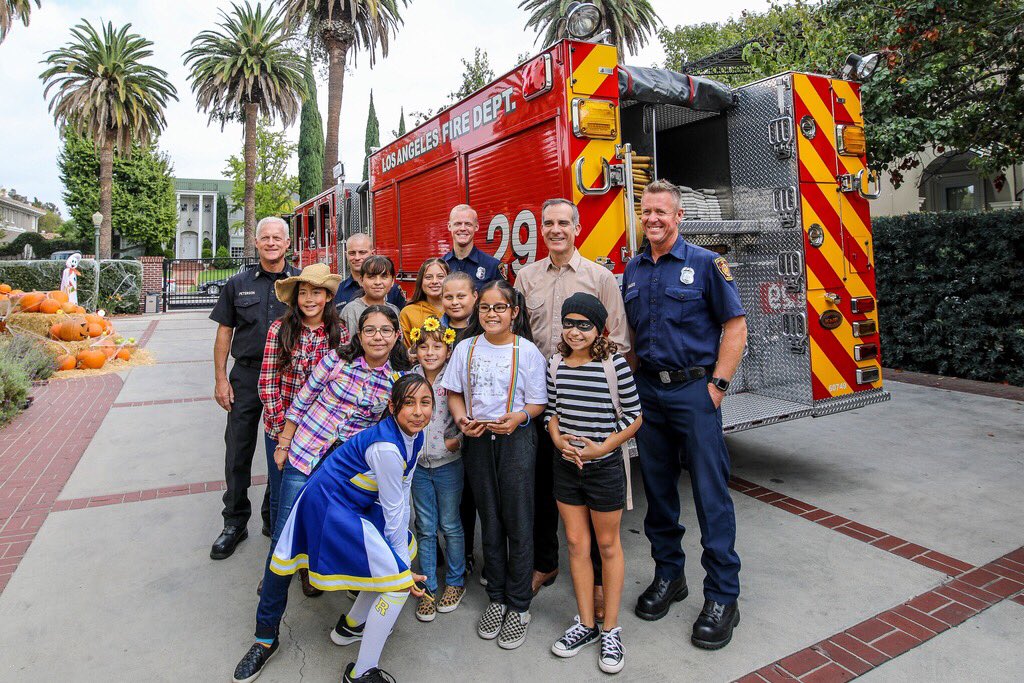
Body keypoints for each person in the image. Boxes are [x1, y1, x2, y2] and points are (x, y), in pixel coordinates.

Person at [231, 306, 411, 683]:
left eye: (385, 330)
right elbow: (302, 401)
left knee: (349, 540)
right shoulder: (335, 361)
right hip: (303, 455)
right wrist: (283, 442)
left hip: (343, 475)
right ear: (358, 335)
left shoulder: (398, 381)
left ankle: (355, 620)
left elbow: (387, 436)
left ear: (396, 336)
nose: (377, 337)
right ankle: (265, 638)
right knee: (282, 545)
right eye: (370, 330)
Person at [621, 180, 747, 650]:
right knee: (658, 490)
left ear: (678, 218)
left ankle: (722, 596)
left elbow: (735, 326)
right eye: (646, 211)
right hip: (648, 392)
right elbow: (633, 339)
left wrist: (717, 387)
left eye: (661, 212)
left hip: (695, 392)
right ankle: (669, 576)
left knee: (711, 495)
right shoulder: (634, 269)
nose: (652, 219)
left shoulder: (705, 264)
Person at [268, 374, 434, 683]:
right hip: (330, 506)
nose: (418, 411)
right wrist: (402, 568)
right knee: (396, 584)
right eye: (409, 403)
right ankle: (361, 673)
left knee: (387, 567)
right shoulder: (386, 447)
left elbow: (401, 494)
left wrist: (396, 561)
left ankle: (351, 627)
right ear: (392, 406)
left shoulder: (416, 436)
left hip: (354, 503)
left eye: (425, 403)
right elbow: (395, 508)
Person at [514, 198, 631, 617]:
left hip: (586, 404)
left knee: (594, 494)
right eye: (548, 223)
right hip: (538, 400)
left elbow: (617, 338)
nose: (556, 229)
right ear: (540, 229)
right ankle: (545, 564)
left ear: (577, 227)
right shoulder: (525, 277)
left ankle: (599, 581)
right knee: (545, 486)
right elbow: (518, 337)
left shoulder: (599, 277)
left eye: (564, 222)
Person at [443, 280, 547, 651]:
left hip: (515, 440)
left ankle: (519, 605)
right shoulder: (466, 348)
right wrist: (460, 419)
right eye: (485, 307)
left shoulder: (528, 351)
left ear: (514, 312)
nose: (491, 314)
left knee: (518, 519)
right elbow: (453, 390)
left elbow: (537, 402)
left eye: (499, 307)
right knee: (490, 518)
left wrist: (518, 417)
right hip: (477, 440)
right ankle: (498, 597)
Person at [546, 294, 641, 675]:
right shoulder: (556, 364)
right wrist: (556, 440)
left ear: (599, 328)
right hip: (566, 467)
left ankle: (610, 628)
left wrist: (603, 447)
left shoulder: (612, 364)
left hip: (604, 469)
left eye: (584, 324)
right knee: (575, 543)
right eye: (569, 323)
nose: (575, 331)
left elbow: (634, 416)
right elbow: (552, 412)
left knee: (606, 545)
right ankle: (585, 623)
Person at [210, 216, 299, 560]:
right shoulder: (237, 283)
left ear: (287, 243)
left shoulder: (300, 283)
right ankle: (234, 521)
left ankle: (271, 514)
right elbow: (224, 333)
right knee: (238, 449)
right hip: (246, 377)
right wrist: (220, 378)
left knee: (282, 448)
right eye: (266, 238)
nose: (272, 243)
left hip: (286, 377)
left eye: (278, 238)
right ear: (257, 243)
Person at [257, 263, 348, 596]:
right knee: (284, 501)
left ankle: (310, 567)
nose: (310, 299)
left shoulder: (340, 333)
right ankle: (275, 573)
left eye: (317, 292)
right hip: (282, 431)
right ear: (295, 298)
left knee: (317, 501)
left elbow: (344, 382)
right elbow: (267, 382)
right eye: (304, 293)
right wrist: (285, 432)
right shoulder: (280, 330)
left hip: (323, 435)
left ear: (327, 297)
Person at [408, 316, 465, 623]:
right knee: (425, 527)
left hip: (448, 464)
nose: (430, 352)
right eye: (423, 346)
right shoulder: (408, 379)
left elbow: (466, 417)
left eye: (436, 346)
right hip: (418, 467)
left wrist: (456, 442)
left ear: (448, 349)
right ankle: (428, 586)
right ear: (414, 349)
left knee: (451, 524)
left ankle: (455, 582)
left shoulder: (454, 379)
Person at [440, 270, 479, 575]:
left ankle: (478, 553)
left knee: (478, 492)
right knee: (456, 496)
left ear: (474, 297)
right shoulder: (435, 331)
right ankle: (460, 553)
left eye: (460, 296)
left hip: (479, 421)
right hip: (447, 420)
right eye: (448, 297)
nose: (454, 302)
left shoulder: (484, 329)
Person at [333, 232, 406, 310]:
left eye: (362, 252)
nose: (357, 257)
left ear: (373, 253)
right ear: (346, 255)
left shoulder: (393, 290)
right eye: (352, 253)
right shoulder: (337, 291)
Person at [441, 204, 502, 288]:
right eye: (457, 224)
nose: (462, 228)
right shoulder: (441, 265)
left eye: (468, 224)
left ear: (476, 227)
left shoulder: (493, 266)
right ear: (449, 226)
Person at [339, 255, 402, 335]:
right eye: (371, 277)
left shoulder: (394, 310)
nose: (378, 282)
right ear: (361, 280)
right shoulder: (351, 311)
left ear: (392, 281)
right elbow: (348, 345)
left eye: (384, 277)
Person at [399, 257, 450, 345]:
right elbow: (404, 351)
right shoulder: (408, 312)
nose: (434, 281)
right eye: (428, 277)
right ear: (421, 281)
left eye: (440, 276)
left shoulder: (456, 309)